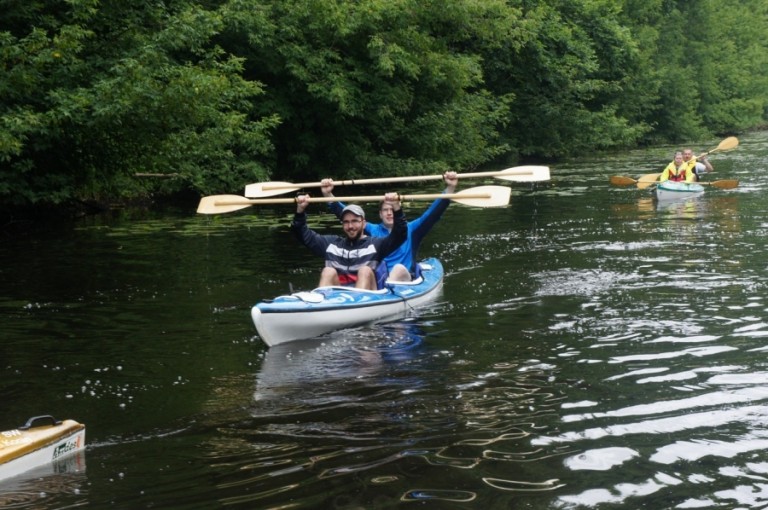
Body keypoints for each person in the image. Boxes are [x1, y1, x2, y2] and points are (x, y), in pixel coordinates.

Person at [322, 171, 458, 284]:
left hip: (403, 279)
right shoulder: (372, 230)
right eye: (385, 210)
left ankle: (390, 289)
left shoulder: (412, 229)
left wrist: (450, 188)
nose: (389, 213)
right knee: (364, 270)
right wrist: (328, 195)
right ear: (380, 214)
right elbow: (349, 216)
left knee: (398, 269)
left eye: (392, 209)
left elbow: (432, 214)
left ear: (398, 210)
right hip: (379, 280)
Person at [291, 193, 407, 290]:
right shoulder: (331, 245)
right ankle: (321, 307)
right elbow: (302, 234)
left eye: (355, 221)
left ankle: (356, 309)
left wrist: (396, 208)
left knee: (365, 271)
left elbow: (400, 235)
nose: (350, 226)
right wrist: (300, 211)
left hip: (367, 298)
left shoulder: (375, 244)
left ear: (364, 223)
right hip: (339, 298)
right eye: (346, 222)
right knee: (328, 271)